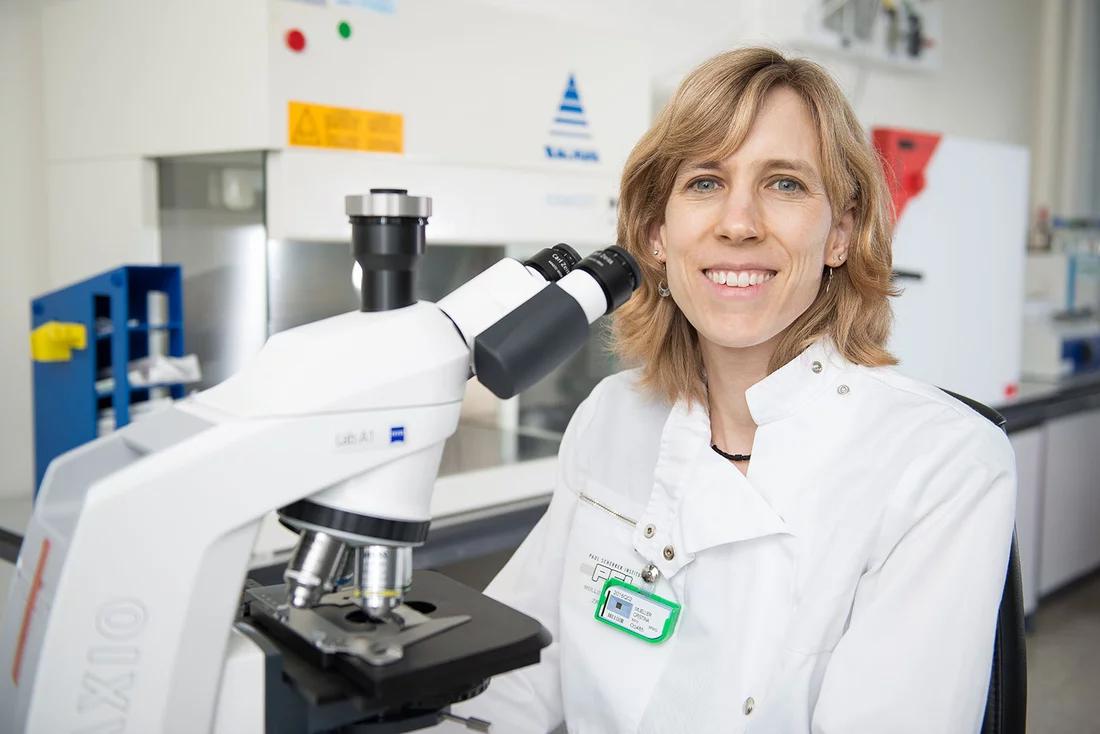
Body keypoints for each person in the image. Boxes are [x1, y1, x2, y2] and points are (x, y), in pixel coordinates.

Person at [441, 46, 1017, 733]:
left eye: (784, 184)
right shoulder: (612, 416)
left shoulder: (942, 463)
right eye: (706, 182)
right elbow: (511, 675)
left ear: (840, 232)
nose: (738, 223)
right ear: (657, 232)